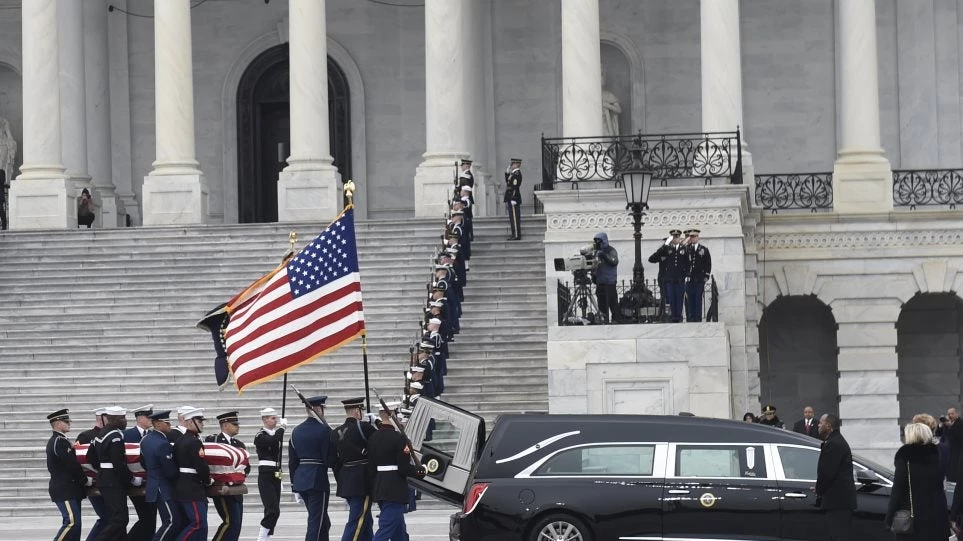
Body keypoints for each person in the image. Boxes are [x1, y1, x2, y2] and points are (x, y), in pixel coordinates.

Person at [369, 404, 426, 541]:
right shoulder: (399, 438)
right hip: (394, 488)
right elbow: (403, 468)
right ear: (392, 415)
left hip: (380, 486)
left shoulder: (373, 438)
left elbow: (371, 466)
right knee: (386, 528)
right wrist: (420, 471)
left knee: (399, 531)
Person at [886, 422, 949, 540]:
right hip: (937, 513)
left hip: (913, 516)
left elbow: (897, 490)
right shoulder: (938, 453)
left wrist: (889, 518)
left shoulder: (905, 455)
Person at [289, 395, 336, 541]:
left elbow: (292, 461)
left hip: (300, 480)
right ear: (318, 409)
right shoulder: (324, 430)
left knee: (323, 522)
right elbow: (328, 460)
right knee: (316, 522)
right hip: (317, 481)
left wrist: (293, 484)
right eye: (322, 409)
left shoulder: (296, 431)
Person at [333, 397, 377, 541]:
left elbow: (334, 461)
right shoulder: (364, 427)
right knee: (357, 521)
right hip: (362, 480)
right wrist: (376, 423)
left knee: (366, 519)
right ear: (358, 411)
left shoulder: (335, 432)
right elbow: (382, 442)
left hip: (346, 479)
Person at [88, 406, 133, 541]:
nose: (125, 421)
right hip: (113, 480)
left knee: (117, 518)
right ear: (113, 420)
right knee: (120, 519)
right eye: (122, 418)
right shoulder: (115, 436)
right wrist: (130, 479)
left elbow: (91, 457)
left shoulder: (100, 434)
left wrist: (102, 469)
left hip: (105, 478)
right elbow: (118, 463)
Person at [140, 410, 185, 541]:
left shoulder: (145, 440)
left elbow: (143, 462)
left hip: (153, 484)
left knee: (171, 520)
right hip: (163, 487)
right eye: (167, 423)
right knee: (171, 521)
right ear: (158, 425)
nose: (170, 426)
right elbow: (170, 471)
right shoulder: (162, 444)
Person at [205, 411, 247, 541]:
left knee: (237, 524)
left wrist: (236, 474)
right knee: (230, 522)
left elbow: (246, 466)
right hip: (222, 488)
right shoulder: (213, 441)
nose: (237, 426)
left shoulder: (239, 444)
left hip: (236, 488)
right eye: (234, 424)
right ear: (225, 425)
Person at [46, 408, 87, 541]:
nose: (69, 423)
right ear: (57, 424)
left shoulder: (61, 440)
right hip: (64, 488)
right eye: (66, 421)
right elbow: (71, 464)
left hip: (70, 488)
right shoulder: (59, 441)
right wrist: (83, 478)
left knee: (77, 525)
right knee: (71, 522)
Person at [815, 413, 856, 540]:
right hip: (840, 501)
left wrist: (818, 489)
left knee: (839, 535)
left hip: (838, 502)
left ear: (828, 425)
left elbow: (826, 473)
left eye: (821, 422)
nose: (818, 425)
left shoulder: (833, 444)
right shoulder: (835, 441)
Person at [173, 407, 211, 541]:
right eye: (199, 421)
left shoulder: (180, 440)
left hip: (185, 485)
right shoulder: (194, 441)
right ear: (190, 423)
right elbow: (201, 466)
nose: (202, 424)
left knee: (201, 526)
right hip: (192, 488)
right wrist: (208, 481)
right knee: (198, 523)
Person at [124, 404, 157, 541]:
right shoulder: (126, 435)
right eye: (148, 417)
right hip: (135, 483)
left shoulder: (154, 435)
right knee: (145, 518)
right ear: (139, 418)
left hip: (152, 482)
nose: (151, 420)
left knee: (152, 519)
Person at [253, 407, 287, 541]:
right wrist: (283, 428)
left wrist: (280, 478)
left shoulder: (274, 434)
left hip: (275, 474)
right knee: (273, 510)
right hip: (265, 475)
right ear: (265, 419)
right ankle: (261, 538)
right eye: (273, 418)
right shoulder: (260, 436)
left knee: (274, 511)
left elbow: (278, 460)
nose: (276, 420)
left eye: (276, 418)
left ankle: (267, 537)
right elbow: (272, 441)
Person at [76, 407, 109, 541]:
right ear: (101, 419)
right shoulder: (85, 436)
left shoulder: (113, 434)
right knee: (105, 516)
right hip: (94, 483)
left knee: (113, 518)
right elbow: (78, 458)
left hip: (110, 482)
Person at [648, 230, 687, 323]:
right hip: (663, 279)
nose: (673, 240)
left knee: (675, 299)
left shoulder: (678, 251)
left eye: (676, 237)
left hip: (674, 279)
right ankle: (666, 317)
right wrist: (663, 247)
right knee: (666, 300)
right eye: (671, 239)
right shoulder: (664, 250)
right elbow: (651, 259)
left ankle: (676, 317)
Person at [684, 229, 711, 322]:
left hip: (699, 279)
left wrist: (706, 275)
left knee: (698, 298)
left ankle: (697, 318)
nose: (692, 238)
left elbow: (708, 263)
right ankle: (691, 318)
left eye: (694, 237)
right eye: (691, 237)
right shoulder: (686, 249)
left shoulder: (703, 249)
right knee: (690, 299)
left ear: (698, 237)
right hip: (689, 278)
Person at [592, 232, 619, 324]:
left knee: (612, 303)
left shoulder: (611, 250)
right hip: (600, 282)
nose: (597, 243)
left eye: (598, 241)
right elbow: (594, 265)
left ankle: (615, 320)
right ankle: (604, 320)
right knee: (602, 305)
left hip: (610, 282)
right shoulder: (596, 252)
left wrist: (604, 256)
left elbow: (614, 262)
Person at [504, 158, 522, 241]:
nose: (511, 165)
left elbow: (515, 187)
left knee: (514, 217)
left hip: (513, 197)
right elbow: (508, 182)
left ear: (516, 164)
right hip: (510, 196)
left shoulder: (517, 174)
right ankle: (514, 233)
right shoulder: (513, 174)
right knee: (512, 217)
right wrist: (507, 173)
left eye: (513, 164)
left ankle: (516, 235)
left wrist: (513, 198)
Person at [945, 406, 963, 483]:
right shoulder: (948, 424)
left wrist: (951, 427)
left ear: (956, 414)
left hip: (958, 452)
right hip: (950, 451)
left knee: (956, 470)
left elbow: (960, 436)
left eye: (952, 414)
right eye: (949, 414)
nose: (950, 416)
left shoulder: (960, 423)